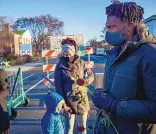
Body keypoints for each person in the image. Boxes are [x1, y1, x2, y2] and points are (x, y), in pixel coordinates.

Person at [91, 2, 156, 134]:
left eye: (112, 27)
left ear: (130, 25)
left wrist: (112, 104)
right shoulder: (114, 53)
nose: (107, 32)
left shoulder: (150, 54)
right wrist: (103, 96)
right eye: (107, 27)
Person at [55, 38, 94, 134]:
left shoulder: (81, 63)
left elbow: (91, 76)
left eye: (69, 53)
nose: (67, 55)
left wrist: (85, 81)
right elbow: (58, 86)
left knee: (82, 128)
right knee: (69, 128)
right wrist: (63, 103)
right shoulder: (60, 66)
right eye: (65, 53)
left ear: (74, 51)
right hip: (68, 102)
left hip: (81, 100)